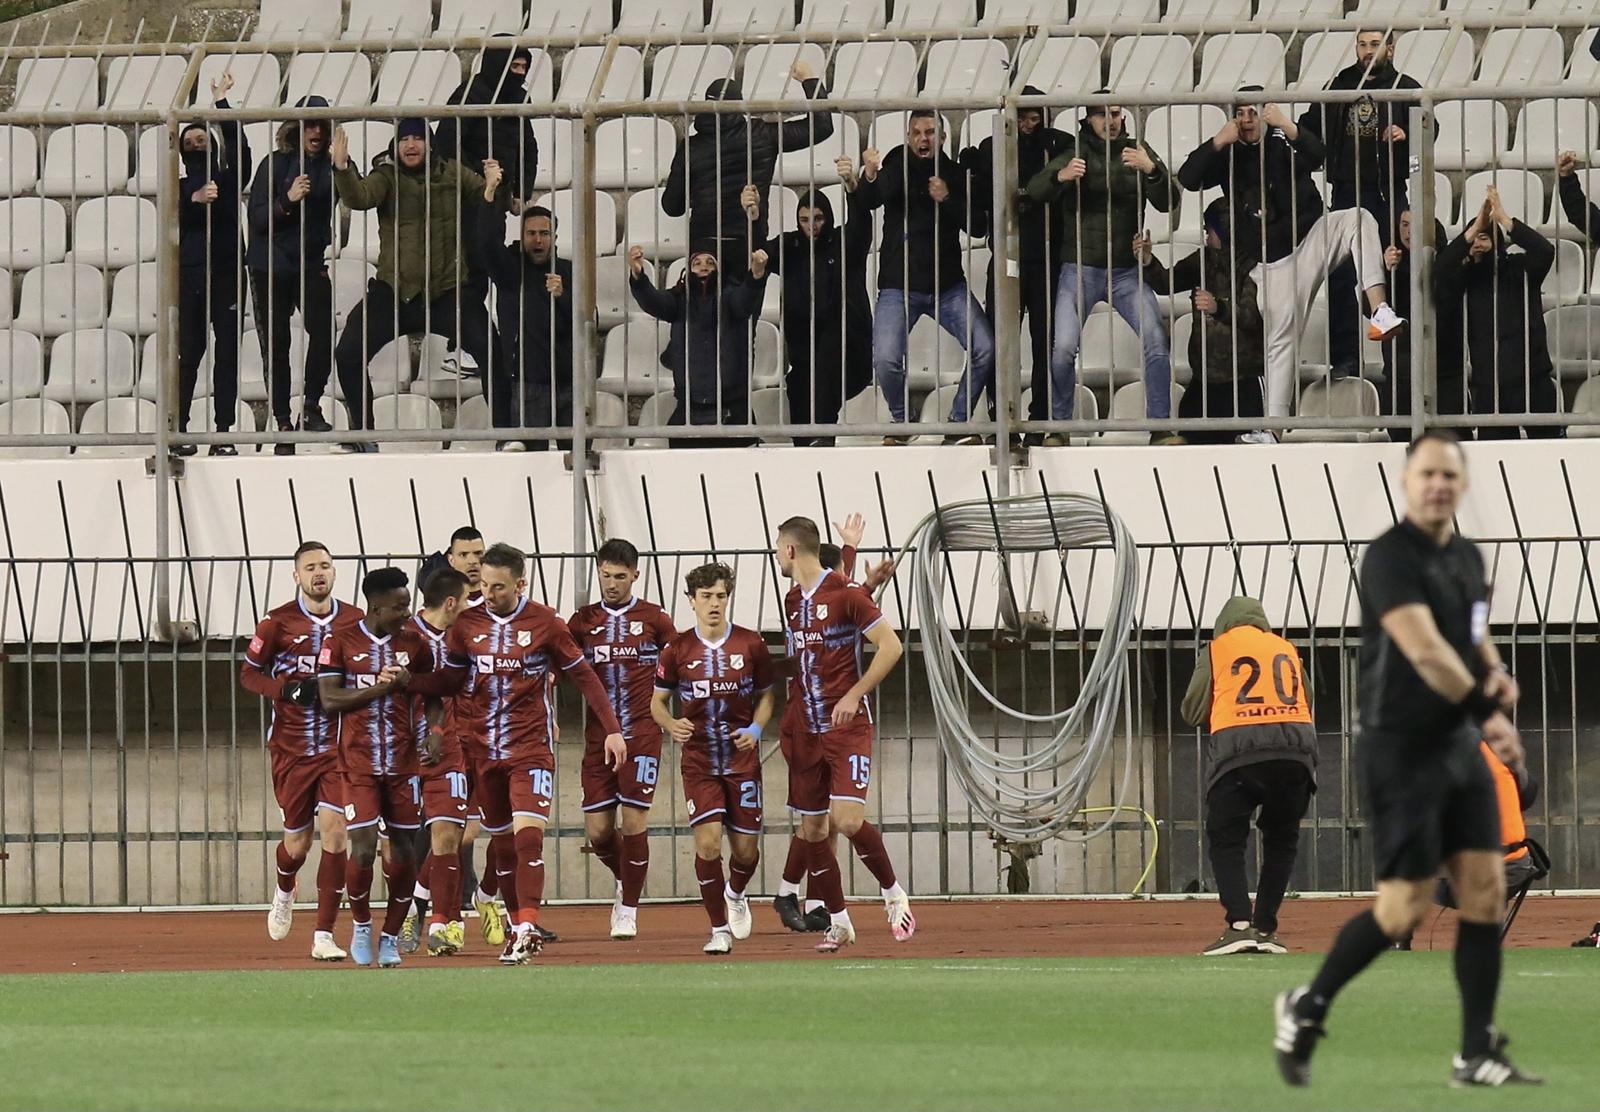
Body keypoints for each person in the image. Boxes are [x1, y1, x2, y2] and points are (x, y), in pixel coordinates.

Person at [1274, 430, 1541, 1090]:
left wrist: (1497, 677)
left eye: (1449, 474)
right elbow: (1424, 649)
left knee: (1484, 892)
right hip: (1401, 750)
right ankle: (1306, 1008)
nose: (1438, 484)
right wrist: (1489, 711)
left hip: (1458, 749)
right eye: (1426, 473)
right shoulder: (1391, 557)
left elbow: (1472, 640)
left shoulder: (1471, 560)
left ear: (1463, 483)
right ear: (1407, 481)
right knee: (1404, 909)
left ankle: (1475, 1050)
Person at [403, 542, 625, 965]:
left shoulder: (546, 624)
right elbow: (448, 680)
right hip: (481, 753)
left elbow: (584, 676)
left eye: (499, 587)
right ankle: (509, 918)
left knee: (528, 838)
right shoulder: (465, 625)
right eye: (483, 584)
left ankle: (526, 928)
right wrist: (406, 683)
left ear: (521, 584)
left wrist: (613, 731)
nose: (488, 593)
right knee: (502, 844)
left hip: (530, 750)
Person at [1177, 90, 1405, 428]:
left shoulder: (1282, 143)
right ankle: (1273, 430)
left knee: (1359, 218)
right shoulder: (1228, 155)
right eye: (1240, 114)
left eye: (1254, 113)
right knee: (1279, 346)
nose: (1248, 120)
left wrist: (1286, 124)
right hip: (1268, 264)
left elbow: (1318, 155)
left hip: (1309, 242)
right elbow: (1187, 179)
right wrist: (1217, 141)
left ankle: (1380, 311)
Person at [774, 515, 913, 952]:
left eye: (779, 546)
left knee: (847, 821)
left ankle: (893, 894)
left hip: (847, 728)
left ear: (792, 551)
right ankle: (839, 922)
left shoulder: (847, 593)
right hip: (806, 732)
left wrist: (853, 694)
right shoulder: (794, 599)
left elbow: (891, 646)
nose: (776, 554)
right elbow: (830, 614)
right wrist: (850, 551)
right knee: (813, 830)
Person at [330, 118, 505, 448]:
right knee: (348, 352)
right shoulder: (387, 177)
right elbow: (359, 197)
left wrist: (494, 187)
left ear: (429, 144)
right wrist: (342, 168)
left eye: (418, 138)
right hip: (396, 290)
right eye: (404, 139)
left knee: (491, 350)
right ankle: (362, 434)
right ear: (396, 146)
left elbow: (483, 200)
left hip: (448, 290)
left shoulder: (453, 172)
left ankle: (506, 433)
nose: (411, 145)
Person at [239, 541, 363, 962]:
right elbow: (249, 675)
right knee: (297, 844)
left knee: (337, 832)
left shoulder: (354, 621)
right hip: (291, 749)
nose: (319, 573)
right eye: (310, 567)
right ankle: (285, 887)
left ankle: (324, 934)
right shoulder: (276, 623)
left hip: (336, 748)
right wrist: (286, 689)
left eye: (326, 565)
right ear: (297, 576)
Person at [1025, 96, 1175, 433]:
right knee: (1062, 347)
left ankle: (1161, 426)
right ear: (1088, 119)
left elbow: (1171, 201)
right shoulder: (1075, 150)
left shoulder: (1138, 149)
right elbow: (1034, 191)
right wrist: (1061, 177)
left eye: (1117, 114)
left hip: (1126, 270)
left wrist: (1151, 171)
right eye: (1102, 115)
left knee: (1155, 339)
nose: (1110, 121)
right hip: (1079, 267)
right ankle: (1059, 427)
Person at [1180, 596, 1317, 957]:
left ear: (1224, 623)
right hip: (1295, 754)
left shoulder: (1218, 649)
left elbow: (1192, 710)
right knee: (1281, 840)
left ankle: (1239, 925)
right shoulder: (1285, 648)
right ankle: (1266, 928)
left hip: (1238, 756)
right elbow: (1308, 697)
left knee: (1226, 839)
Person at [315, 566, 436, 969]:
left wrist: (434, 731)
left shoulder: (415, 645)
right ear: (377, 607)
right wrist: (383, 688)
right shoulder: (341, 642)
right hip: (359, 764)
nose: (407, 613)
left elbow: (433, 692)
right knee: (364, 847)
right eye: (400, 607)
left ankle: (390, 936)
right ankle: (363, 923)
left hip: (404, 765)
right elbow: (331, 699)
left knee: (402, 851)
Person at [652, 562, 775, 955]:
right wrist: (672, 724)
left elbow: (768, 696)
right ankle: (718, 928)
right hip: (700, 762)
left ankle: (736, 892)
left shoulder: (751, 644)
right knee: (707, 845)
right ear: (691, 601)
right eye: (705, 597)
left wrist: (755, 731)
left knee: (745, 852)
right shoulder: (677, 649)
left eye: (720, 596)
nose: (714, 604)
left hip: (741, 763)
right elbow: (657, 702)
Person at [859, 111, 995, 442]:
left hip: (947, 286)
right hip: (898, 285)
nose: (923, 139)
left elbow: (978, 225)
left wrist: (947, 198)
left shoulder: (954, 173)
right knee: (885, 359)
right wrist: (871, 175)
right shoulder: (896, 164)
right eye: (917, 133)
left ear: (943, 138)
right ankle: (902, 420)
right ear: (908, 137)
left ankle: (958, 422)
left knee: (985, 348)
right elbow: (869, 200)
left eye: (931, 132)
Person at [567, 538, 678, 941]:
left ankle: (627, 909)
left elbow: (681, 662)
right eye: (605, 575)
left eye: (619, 576)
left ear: (635, 575)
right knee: (598, 832)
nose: (611, 584)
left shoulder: (655, 619)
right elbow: (557, 663)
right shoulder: (581, 622)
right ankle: (626, 878)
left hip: (642, 736)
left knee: (633, 821)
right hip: (598, 740)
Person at [1299, 30, 1421, 381]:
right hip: (1347, 191)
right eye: (1363, 44)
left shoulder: (1405, 86)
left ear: (1391, 49)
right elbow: (1311, 126)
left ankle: (1397, 361)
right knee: (1342, 276)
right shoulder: (1340, 84)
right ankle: (1346, 361)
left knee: (1396, 270)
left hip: (1389, 192)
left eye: (1375, 44)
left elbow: (1431, 128)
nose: (1368, 51)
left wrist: (1407, 133)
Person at [435, 35, 541, 432]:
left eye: (525, 66)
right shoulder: (468, 94)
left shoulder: (520, 100)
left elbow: (527, 145)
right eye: (515, 65)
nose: (521, 71)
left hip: (499, 196)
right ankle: (461, 344)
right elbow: (446, 145)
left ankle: (477, 344)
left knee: (488, 260)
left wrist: (519, 191)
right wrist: (479, 182)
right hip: (470, 196)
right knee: (473, 263)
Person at [963, 86, 1071, 443]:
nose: (1027, 124)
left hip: (1047, 259)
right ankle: (1002, 421)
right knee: (1001, 342)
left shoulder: (1059, 144)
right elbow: (981, 207)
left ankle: (1040, 420)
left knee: (1045, 343)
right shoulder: (990, 148)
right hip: (1007, 256)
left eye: (1033, 117)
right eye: (1021, 117)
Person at [751, 159, 873, 446]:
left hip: (847, 347)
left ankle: (821, 437)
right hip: (804, 348)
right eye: (805, 220)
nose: (811, 226)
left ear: (827, 218)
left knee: (825, 363)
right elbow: (759, 255)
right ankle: (807, 449)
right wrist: (755, 218)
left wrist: (852, 189)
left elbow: (862, 226)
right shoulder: (790, 246)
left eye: (817, 219)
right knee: (798, 385)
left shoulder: (843, 242)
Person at [661, 64, 833, 261]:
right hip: (750, 237)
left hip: (703, 244)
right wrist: (809, 80)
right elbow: (822, 127)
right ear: (739, 105)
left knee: (704, 292)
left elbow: (671, 206)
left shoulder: (691, 147)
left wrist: (700, 196)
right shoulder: (762, 135)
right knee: (749, 289)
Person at [246, 95, 338, 454]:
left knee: (323, 331)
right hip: (269, 264)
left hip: (310, 262)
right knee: (277, 344)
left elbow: (354, 193)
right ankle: (282, 419)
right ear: (296, 129)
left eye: (321, 125)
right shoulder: (275, 163)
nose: (315, 131)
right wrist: (287, 200)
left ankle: (311, 405)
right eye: (309, 124)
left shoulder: (332, 165)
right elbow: (256, 218)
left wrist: (344, 168)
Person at [1133, 203, 1268, 445]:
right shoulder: (1204, 259)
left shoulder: (1254, 266)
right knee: (1192, 449)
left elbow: (1253, 315)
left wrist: (1219, 308)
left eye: (1211, 230)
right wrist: (1149, 261)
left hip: (1243, 383)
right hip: (1203, 382)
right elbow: (1167, 283)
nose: (1206, 235)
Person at [392, 566, 474, 958]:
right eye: (467, 599)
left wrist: (441, 734)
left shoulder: (463, 636)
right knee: (400, 846)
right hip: (402, 754)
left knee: (448, 834)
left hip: (451, 750)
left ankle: (443, 922)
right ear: (451, 601)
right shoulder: (404, 637)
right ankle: (408, 907)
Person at [1434, 187, 1560, 439]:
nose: (1478, 244)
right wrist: (1470, 232)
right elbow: (1441, 270)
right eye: (1474, 239)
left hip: (1533, 380)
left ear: (1496, 242)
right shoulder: (1464, 280)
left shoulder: (1520, 268)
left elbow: (1545, 251)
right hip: (1490, 387)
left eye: (1485, 237)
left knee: (1547, 453)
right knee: (1495, 460)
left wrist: (1504, 220)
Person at [176, 72, 252, 457]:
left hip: (227, 274)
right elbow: (172, 219)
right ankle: (180, 429)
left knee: (228, 354)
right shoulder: (178, 186)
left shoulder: (227, 177)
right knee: (189, 352)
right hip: (190, 277)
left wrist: (221, 104)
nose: (195, 145)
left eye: (201, 140)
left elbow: (242, 149)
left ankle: (223, 432)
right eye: (189, 143)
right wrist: (193, 201)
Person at [627, 244, 770, 446]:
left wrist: (755, 275)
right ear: (688, 270)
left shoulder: (730, 296)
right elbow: (653, 301)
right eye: (697, 263)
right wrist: (638, 276)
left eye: (710, 263)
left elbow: (744, 301)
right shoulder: (678, 299)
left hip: (732, 405)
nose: (704, 267)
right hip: (689, 404)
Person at [481, 205, 573, 449]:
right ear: (522, 237)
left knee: (577, 460)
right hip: (527, 383)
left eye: (544, 233)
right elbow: (487, 242)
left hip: (570, 383)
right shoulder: (510, 270)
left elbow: (587, 320)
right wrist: (490, 196)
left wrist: (563, 296)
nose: (538, 240)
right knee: (532, 463)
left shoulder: (570, 271)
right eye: (531, 233)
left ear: (554, 237)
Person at [1379, 210, 1462, 422]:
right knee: (1400, 439)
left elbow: (1446, 297)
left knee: (1450, 436)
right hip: (1401, 370)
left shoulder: (1448, 262)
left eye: (1415, 225)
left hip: (1444, 370)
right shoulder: (1389, 266)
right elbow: (1373, 311)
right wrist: (1387, 272)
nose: (1408, 231)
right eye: (1404, 224)